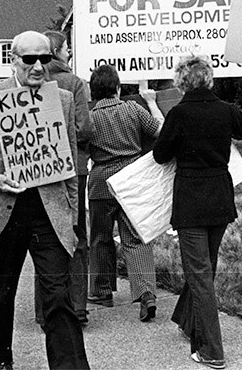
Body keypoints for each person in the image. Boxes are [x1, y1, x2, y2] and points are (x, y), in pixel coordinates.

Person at [0, 31, 90, 370]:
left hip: (47, 213)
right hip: (2, 212)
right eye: (30, 59)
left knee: (58, 294)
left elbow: (66, 160)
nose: (38, 66)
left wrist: (71, 216)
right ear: (14, 60)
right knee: (0, 294)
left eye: (44, 58)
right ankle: (2, 361)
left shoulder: (63, 100)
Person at [152, 56, 242, 369]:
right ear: (209, 80)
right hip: (220, 198)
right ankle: (189, 322)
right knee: (205, 268)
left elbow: (160, 156)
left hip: (190, 200)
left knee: (200, 275)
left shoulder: (179, 114)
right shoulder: (226, 110)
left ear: (183, 83)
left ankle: (212, 350)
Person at [87, 64, 163, 322]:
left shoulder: (89, 117)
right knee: (136, 237)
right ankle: (146, 294)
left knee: (100, 237)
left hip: (100, 182)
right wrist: (152, 103)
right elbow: (158, 131)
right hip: (132, 179)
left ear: (93, 91)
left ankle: (100, 291)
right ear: (118, 88)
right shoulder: (132, 109)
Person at [33, 30, 94, 325]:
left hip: (37, 170)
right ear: (56, 51)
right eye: (67, 48)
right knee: (75, 236)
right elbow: (84, 129)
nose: (69, 53)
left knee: (42, 237)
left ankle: (45, 311)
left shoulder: (30, 82)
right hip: (73, 169)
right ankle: (77, 307)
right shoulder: (74, 82)